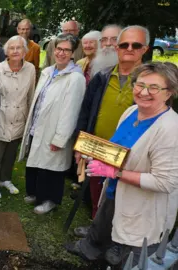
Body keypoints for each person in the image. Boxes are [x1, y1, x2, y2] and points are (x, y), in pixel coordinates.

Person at [70, 62, 178, 267]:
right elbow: (117, 148)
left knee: (133, 254)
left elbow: (165, 182)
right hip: (114, 190)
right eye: (139, 84)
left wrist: (115, 173)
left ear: (169, 92)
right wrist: (93, 152)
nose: (144, 92)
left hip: (143, 205)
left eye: (154, 87)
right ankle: (92, 250)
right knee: (105, 222)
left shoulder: (170, 129)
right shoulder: (131, 112)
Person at [71, 26, 149, 238]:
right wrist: (80, 145)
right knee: (98, 192)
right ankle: (95, 231)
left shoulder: (151, 82)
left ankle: (117, 238)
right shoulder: (102, 76)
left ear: (145, 48)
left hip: (132, 155)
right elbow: (85, 113)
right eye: (124, 45)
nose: (129, 49)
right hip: (99, 147)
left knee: (123, 197)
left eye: (136, 45)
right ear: (117, 48)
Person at [18, 33, 86, 214]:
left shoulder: (75, 78)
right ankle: (34, 193)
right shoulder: (48, 71)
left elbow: (71, 111)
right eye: (58, 48)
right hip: (38, 125)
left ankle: (49, 200)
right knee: (35, 163)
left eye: (66, 50)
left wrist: (60, 138)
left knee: (52, 168)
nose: (61, 53)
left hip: (55, 130)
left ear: (73, 53)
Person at [0, 35, 36, 199]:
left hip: (19, 117)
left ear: (25, 51)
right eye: (12, 48)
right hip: (1, 117)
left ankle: (5, 179)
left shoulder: (30, 69)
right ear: (6, 51)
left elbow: (31, 96)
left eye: (19, 48)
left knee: (10, 153)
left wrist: (29, 119)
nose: (15, 51)